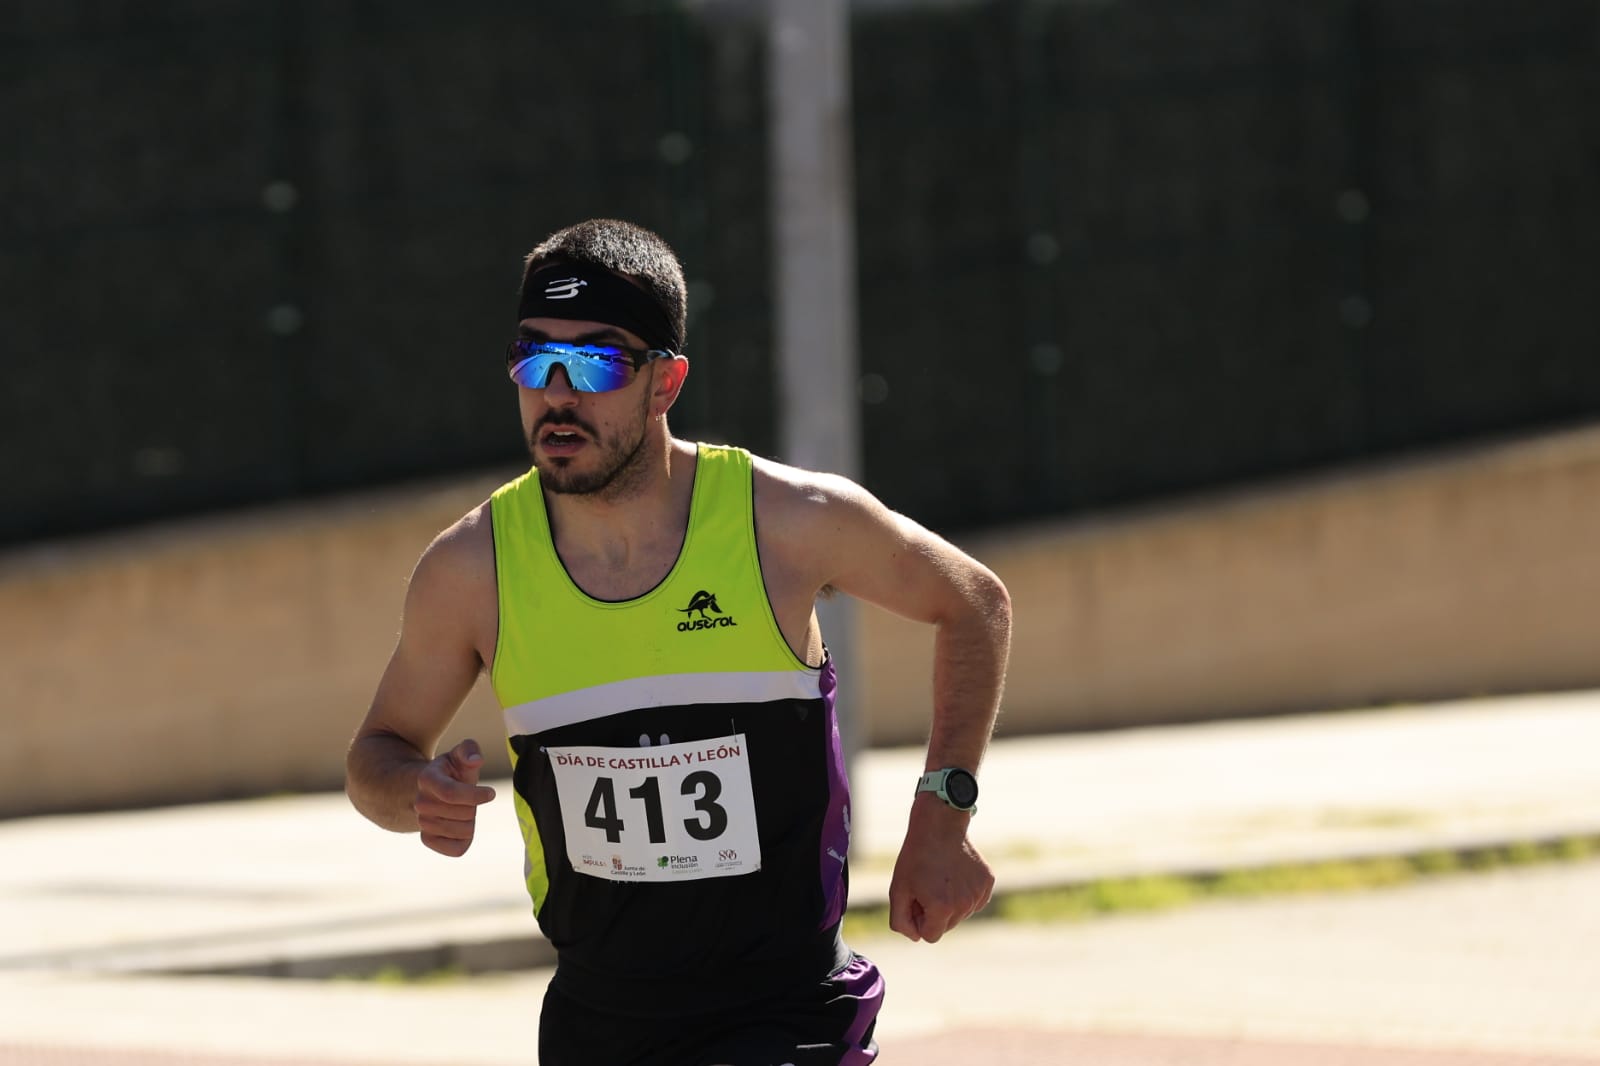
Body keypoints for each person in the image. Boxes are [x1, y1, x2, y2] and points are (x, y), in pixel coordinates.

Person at [345, 218, 1012, 1065]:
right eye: (532, 358)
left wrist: (942, 816)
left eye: (595, 363)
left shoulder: (785, 522)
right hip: (599, 1019)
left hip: (785, 1010)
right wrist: (415, 793)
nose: (558, 393)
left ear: (666, 382)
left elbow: (973, 604)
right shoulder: (473, 569)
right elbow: (377, 754)